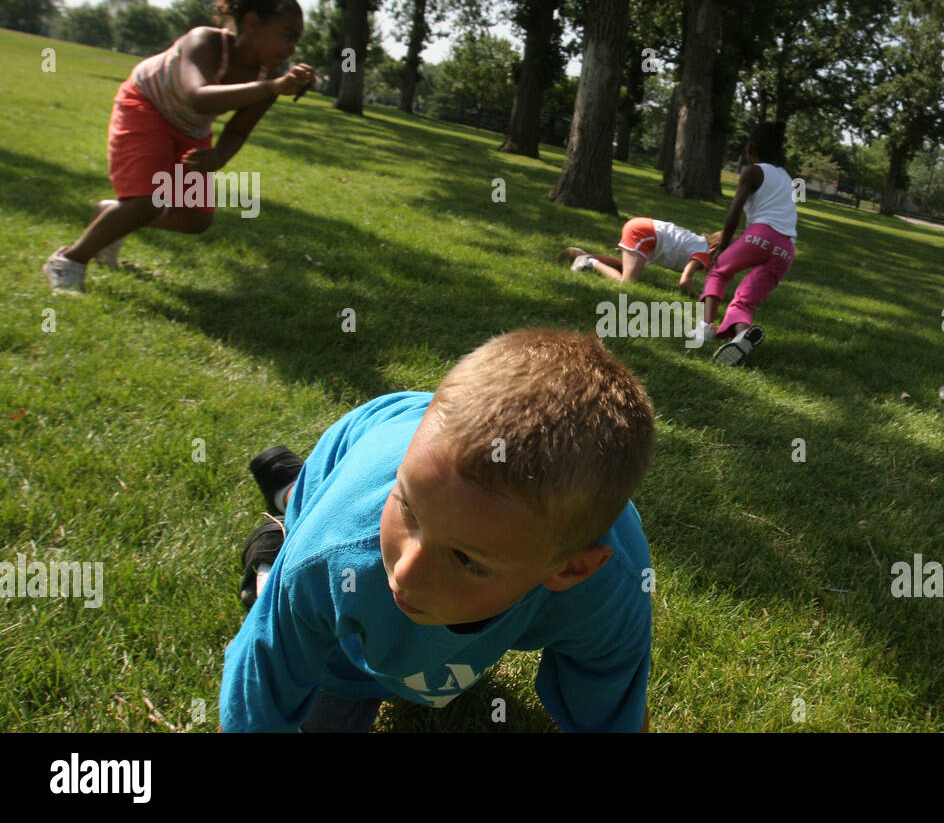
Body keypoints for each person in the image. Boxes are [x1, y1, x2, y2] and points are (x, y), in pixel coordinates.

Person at [220, 329, 657, 733]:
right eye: (407, 507)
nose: (407, 572)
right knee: (332, 665)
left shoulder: (611, 588)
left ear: (571, 569)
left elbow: (611, 709)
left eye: (467, 559)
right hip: (355, 458)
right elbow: (266, 671)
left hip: (403, 478)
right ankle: (276, 535)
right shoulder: (337, 550)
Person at [42, 0, 316, 293]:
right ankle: (69, 260)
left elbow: (239, 129)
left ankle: (115, 215)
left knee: (195, 219)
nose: (291, 49)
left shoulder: (269, 76)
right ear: (253, 23)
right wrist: (272, 86)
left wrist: (220, 157)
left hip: (191, 127)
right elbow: (199, 97)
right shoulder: (204, 41)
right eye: (287, 35)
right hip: (146, 107)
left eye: (296, 41)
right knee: (149, 201)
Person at [689, 121, 799, 366]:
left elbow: (734, 214)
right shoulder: (788, 178)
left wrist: (723, 247)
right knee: (745, 300)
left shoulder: (753, 171)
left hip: (760, 235)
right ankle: (741, 337)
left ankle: (705, 327)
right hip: (786, 250)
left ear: (751, 148)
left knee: (719, 271)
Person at [558, 218, 721, 299]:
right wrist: (700, 297)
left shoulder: (700, 244)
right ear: (714, 249)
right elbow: (684, 281)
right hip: (643, 233)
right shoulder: (704, 253)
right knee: (628, 283)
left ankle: (580, 253)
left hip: (643, 227)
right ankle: (589, 262)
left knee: (625, 267)